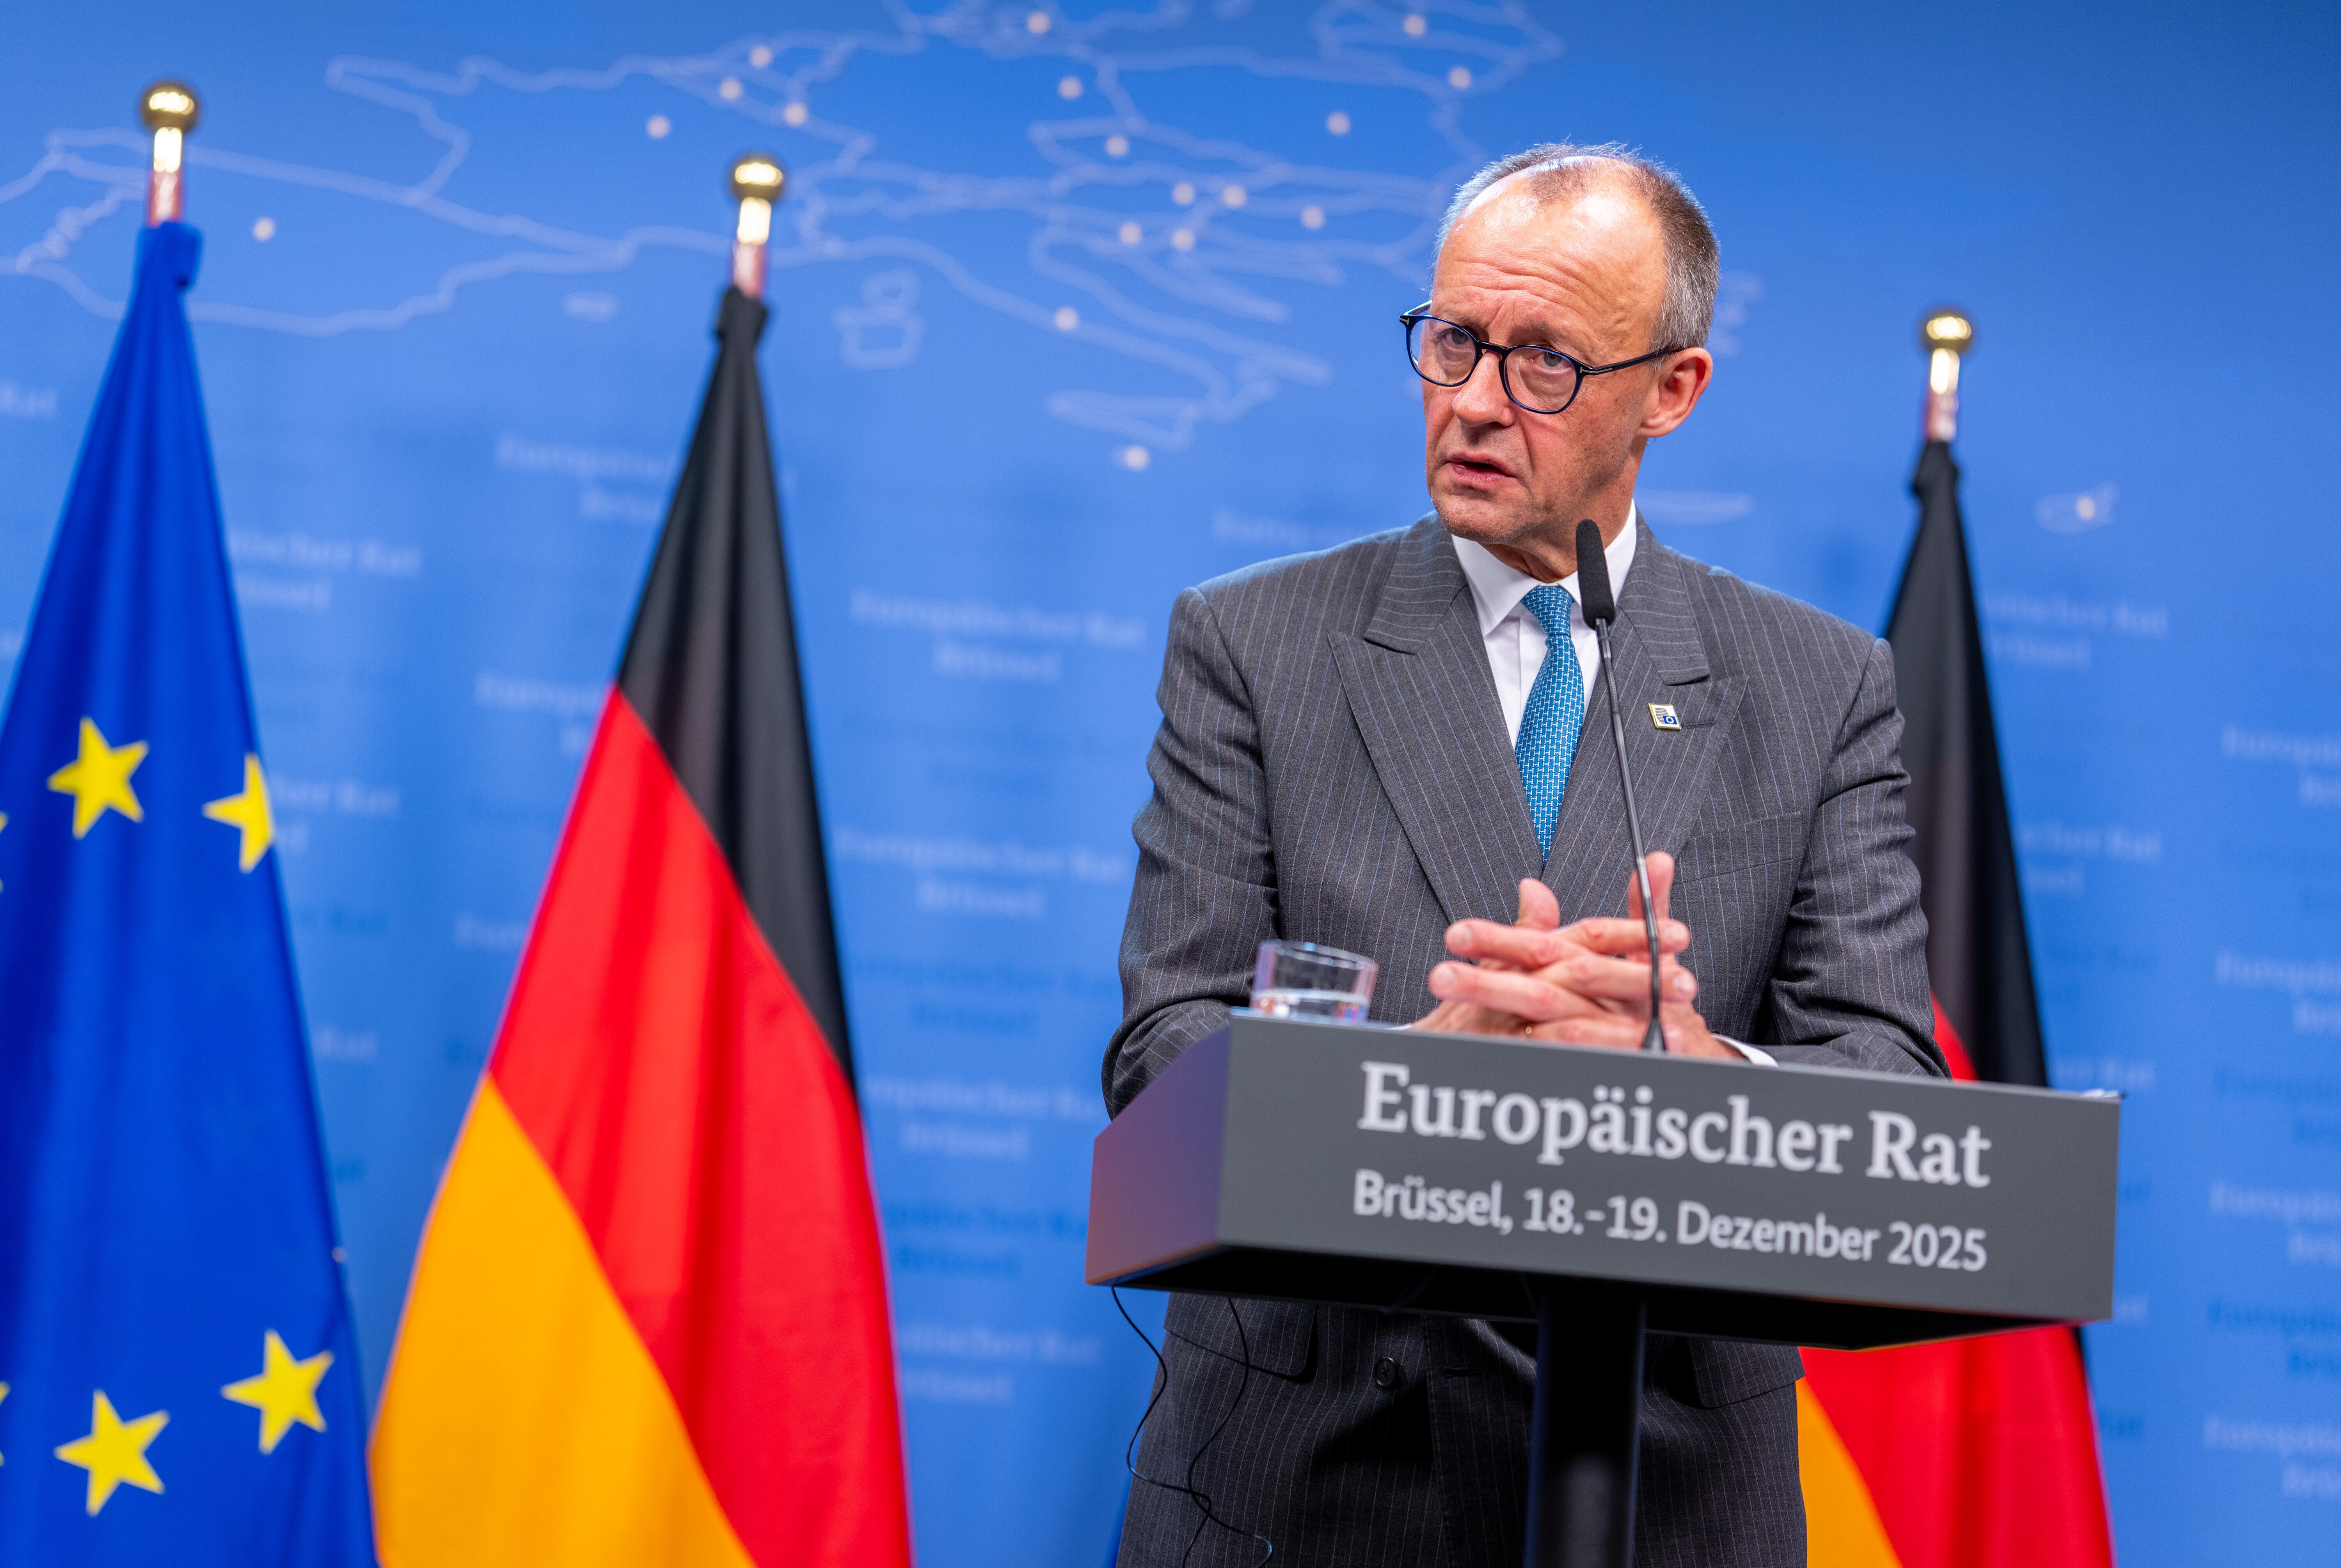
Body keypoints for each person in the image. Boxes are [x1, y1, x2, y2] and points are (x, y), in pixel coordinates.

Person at [1103, 142, 1943, 1567]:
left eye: (1546, 361)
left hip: (1664, 1487)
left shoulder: (1817, 685)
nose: (1477, 401)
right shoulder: (1255, 641)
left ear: (1672, 389)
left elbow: (1891, 1083)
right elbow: (1161, 1048)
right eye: (1453, 341)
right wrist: (1400, 1082)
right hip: (1307, 1483)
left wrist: (1705, 1074)